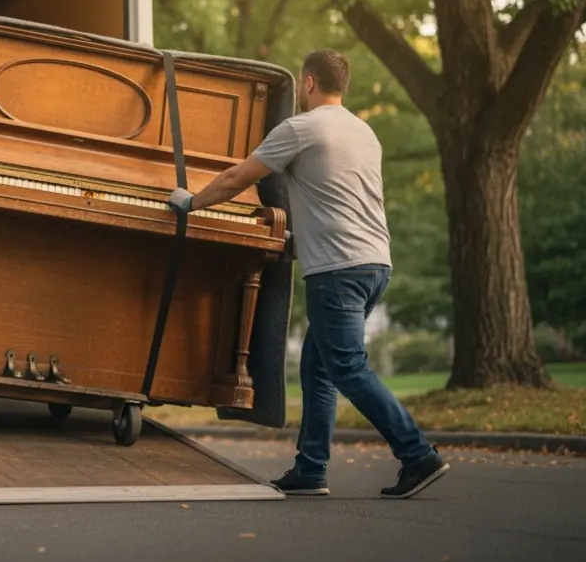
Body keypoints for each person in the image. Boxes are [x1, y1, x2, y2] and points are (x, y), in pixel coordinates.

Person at [167, 49, 448, 500]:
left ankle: (417, 455)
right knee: (319, 369)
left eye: (301, 84)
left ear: (310, 83)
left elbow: (239, 177)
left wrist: (191, 202)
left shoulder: (302, 127)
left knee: (348, 368)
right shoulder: (365, 132)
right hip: (376, 264)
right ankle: (311, 467)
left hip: (337, 269)